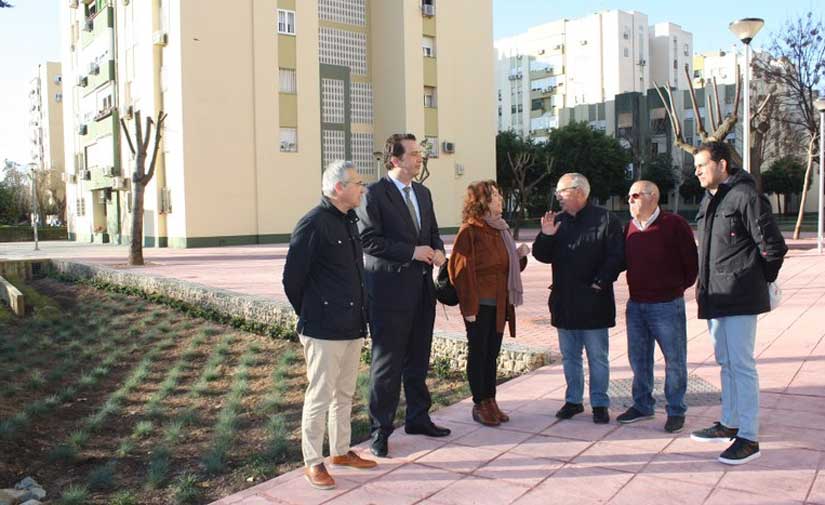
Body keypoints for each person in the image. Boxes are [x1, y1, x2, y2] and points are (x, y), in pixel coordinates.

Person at [689, 141, 787, 465]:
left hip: (740, 296)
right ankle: (729, 422)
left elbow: (773, 246)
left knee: (742, 366)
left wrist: (757, 280)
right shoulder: (711, 199)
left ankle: (749, 437)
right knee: (726, 363)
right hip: (715, 295)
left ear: (723, 164)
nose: (697, 171)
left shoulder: (746, 196)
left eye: (702, 165)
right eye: (696, 166)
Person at [282, 160, 377, 490]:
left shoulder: (350, 221)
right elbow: (292, 279)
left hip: (352, 324)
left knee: (344, 392)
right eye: (357, 183)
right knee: (320, 395)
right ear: (339, 188)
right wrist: (312, 313)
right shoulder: (312, 224)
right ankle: (313, 461)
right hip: (323, 327)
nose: (362, 188)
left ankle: (340, 451)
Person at [356, 133, 450, 458]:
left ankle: (418, 418)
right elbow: (368, 240)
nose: (419, 158)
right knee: (387, 366)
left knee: (418, 360)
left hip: (423, 291)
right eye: (412, 153)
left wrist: (438, 251)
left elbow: (433, 233)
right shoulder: (373, 194)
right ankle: (380, 432)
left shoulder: (423, 193)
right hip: (388, 294)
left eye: (419, 152)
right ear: (395, 160)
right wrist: (412, 252)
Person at [532, 173, 624, 424]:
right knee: (570, 356)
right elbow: (541, 256)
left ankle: (599, 403)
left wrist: (599, 282)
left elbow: (617, 257)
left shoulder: (606, 219)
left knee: (597, 357)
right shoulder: (557, 221)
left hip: (595, 302)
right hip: (565, 301)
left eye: (562, 192)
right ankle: (573, 401)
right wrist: (546, 235)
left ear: (580, 192)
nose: (558, 197)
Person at [617, 180, 698, 433]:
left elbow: (691, 267)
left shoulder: (675, 225)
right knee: (639, 360)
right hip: (636, 305)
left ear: (652, 197)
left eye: (634, 196)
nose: (629, 200)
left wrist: (672, 290)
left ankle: (675, 410)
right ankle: (642, 405)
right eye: (628, 196)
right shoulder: (629, 228)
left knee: (674, 360)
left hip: (666, 306)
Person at [449, 180, 529, 426]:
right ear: (482, 201)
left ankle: (491, 400)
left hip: (500, 303)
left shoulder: (500, 229)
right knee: (479, 352)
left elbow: (505, 267)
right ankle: (479, 403)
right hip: (479, 304)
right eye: (495, 195)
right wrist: (469, 308)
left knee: (491, 353)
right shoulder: (470, 230)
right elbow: (459, 272)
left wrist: (519, 257)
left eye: (499, 195)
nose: (500, 200)